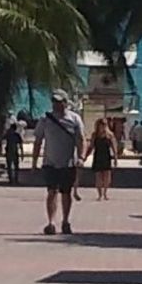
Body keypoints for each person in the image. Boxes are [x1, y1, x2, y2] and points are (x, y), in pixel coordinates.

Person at [32, 90, 85, 236]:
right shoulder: (45, 119)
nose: (56, 104)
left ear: (65, 103)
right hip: (50, 162)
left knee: (66, 193)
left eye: (59, 101)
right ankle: (51, 222)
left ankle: (66, 221)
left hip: (68, 163)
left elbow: (81, 139)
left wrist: (81, 157)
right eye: (54, 101)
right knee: (51, 192)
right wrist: (34, 162)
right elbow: (38, 141)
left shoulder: (74, 119)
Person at [89, 115, 118, 202]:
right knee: (98, 176)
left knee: (107, 177)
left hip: (106, 156)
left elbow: (114, 147)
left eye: (104, 124)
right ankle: (99, 194)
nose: (102, 126)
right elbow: (91, 146)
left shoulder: (110, 135)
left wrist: (116, 158)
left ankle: (105, 192)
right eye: (101, 124)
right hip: (97, 156)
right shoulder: (94, 135)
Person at [2, 116, 24, 185]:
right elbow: (20, 145)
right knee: (15, 166)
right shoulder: (16, 135)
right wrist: (22, 154)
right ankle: (15, 179)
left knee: (10, 166)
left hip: (9, 151)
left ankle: (11, 179)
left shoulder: (9, 135)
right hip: (14, 152)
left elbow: (2, 139)